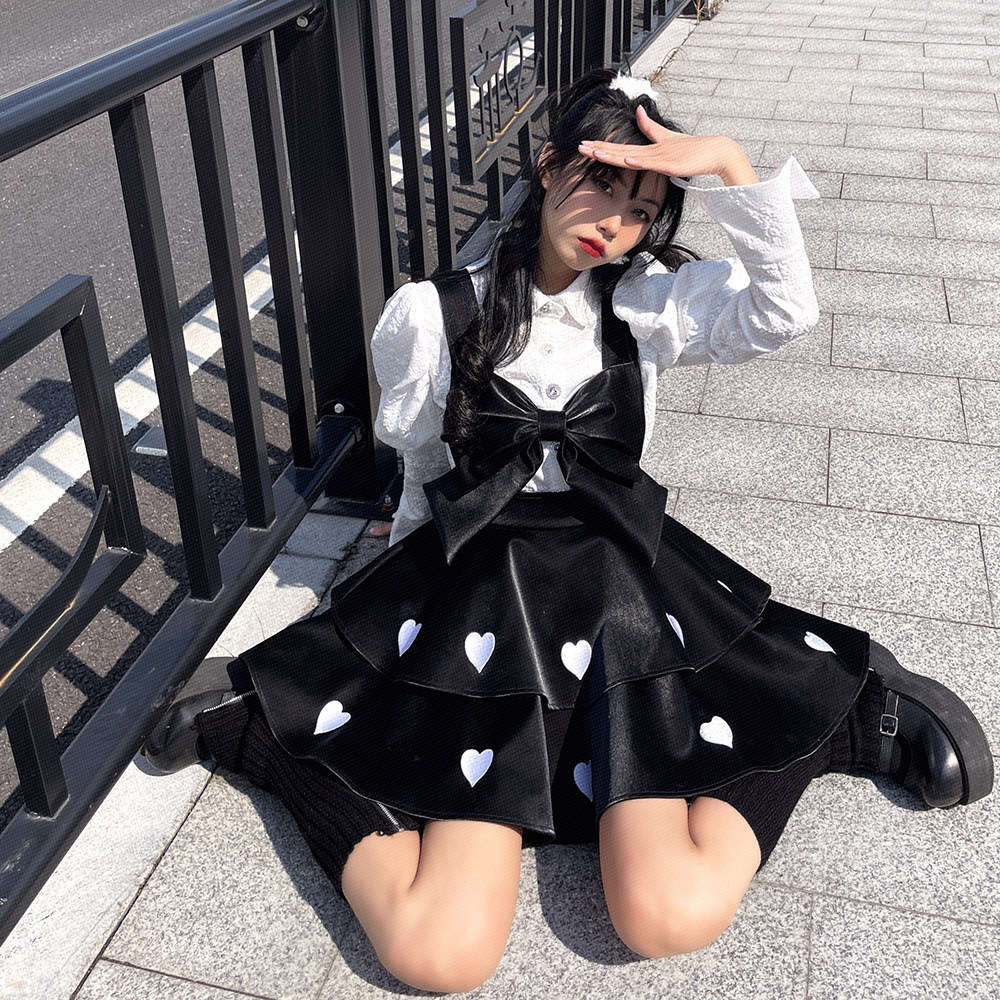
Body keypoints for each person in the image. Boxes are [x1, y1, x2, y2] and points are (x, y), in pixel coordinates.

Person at [144, 68, 993, 994]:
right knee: (437, 952)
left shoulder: (643, 304)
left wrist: (729, 165)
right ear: (549, 166)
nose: (614, 224)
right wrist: (390, 618)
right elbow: (424, 467)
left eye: (642, 210)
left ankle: (849, 720)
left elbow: (782, 312)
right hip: (485, 596)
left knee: (668, 915)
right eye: (602, 185)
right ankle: (255, 733)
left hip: (618, 587)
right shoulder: (435, 316)